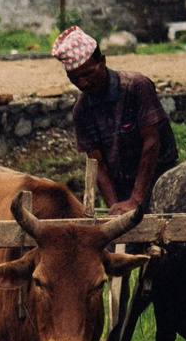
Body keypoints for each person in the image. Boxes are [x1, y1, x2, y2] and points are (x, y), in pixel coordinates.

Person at [53, 26, 175, 213]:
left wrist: (136, 199)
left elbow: (152, 143)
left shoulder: (136, 87)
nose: (83, 83)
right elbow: (98, 165)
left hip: (161, 179)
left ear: (102, 61)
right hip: (122, 186)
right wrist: (115, 209)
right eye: (75, 79)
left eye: (87, 74)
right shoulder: (82, 110)